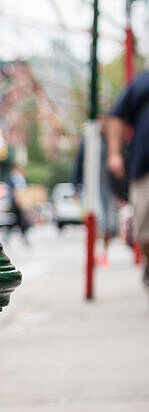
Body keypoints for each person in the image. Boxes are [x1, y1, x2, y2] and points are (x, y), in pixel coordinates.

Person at [107, 71, 149, 288]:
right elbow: (117, 116)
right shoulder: (143, 80)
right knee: (143, 228)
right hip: (144, 169)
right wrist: (114, 153)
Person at [74, 118, 119, 265]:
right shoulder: (88, 140)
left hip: (110, 186)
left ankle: (104, 253)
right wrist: (76, 185)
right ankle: (93, 253)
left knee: (109, 223)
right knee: (95, 219)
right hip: (92, 186)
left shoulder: (112, 140)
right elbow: (79, 163)